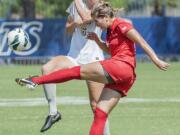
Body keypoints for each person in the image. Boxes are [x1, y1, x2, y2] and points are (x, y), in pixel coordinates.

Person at [15, 1, 170, 135]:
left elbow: (141, 41)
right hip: (125, 79)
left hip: (121, 66)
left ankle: (36, 80)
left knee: (74, 72)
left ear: (106, 17)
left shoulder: (122, 25)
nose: (96, 25)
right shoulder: (109, 31)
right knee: (100, 112)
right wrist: (97, 40)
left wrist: (156, 60)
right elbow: (110, 50)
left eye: (98, 22)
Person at [36, 0, 111, 134]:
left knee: (97, 106)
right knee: (47, 69)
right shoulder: (75, 5)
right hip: (74, 57)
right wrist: (74, 24)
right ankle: (53, 113)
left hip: (94, 60)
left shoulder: (100, 5)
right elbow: (68, 29)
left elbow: (87, 18)